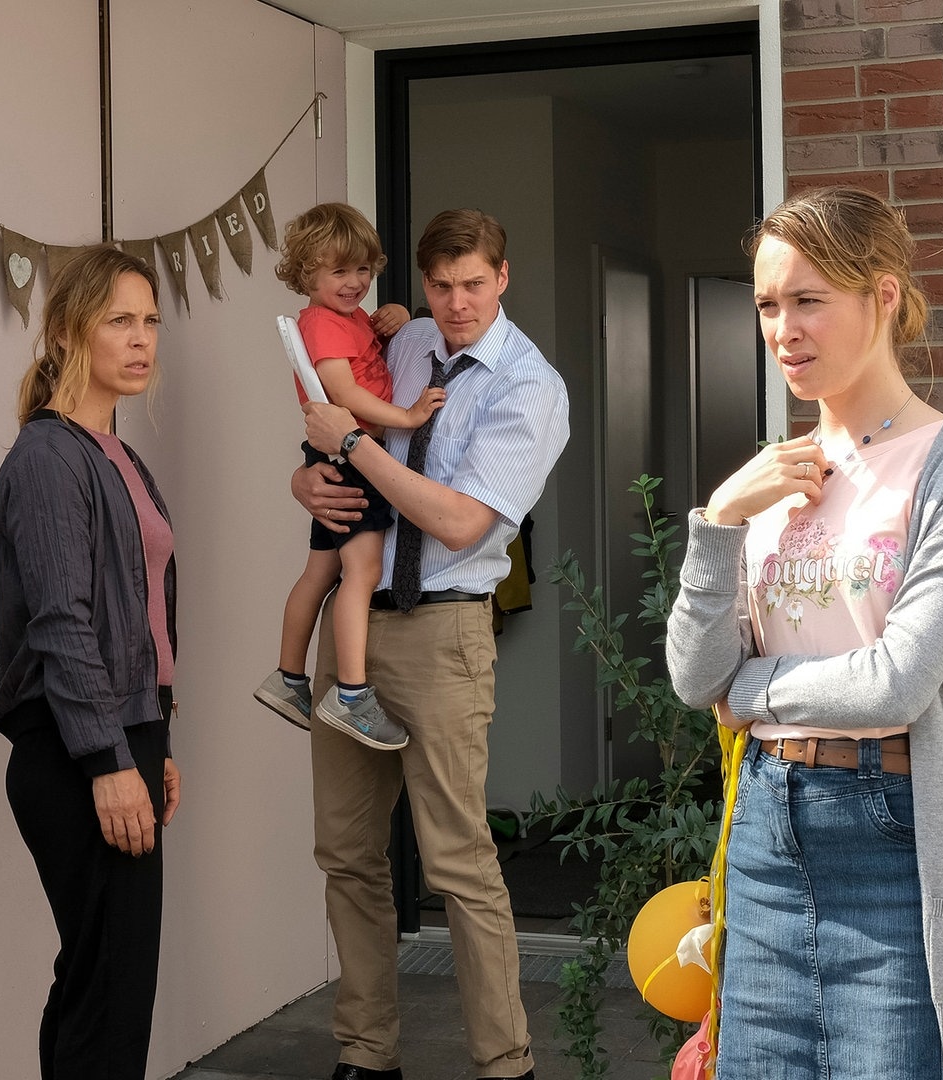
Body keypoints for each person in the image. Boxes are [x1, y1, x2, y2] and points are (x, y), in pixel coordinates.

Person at [665, 186, 943, 1078]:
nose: (784, 328)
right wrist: (718, 523)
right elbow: (689, 672)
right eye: (768, 305)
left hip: (898, 843)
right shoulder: (771, 479)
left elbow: (895, 682)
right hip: (765, 841)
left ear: (885, 296)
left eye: (809, 299)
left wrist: (747, 692)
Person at [295, 208, 569, 1080]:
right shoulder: (405, 343)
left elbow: (457, 521)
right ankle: (366, 1056)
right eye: (441, 286)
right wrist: (308, 475)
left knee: (457, 862)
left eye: (474, 285)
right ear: (423, 284)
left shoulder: (530, 387)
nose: (456, 304)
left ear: (504, 276)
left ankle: (505, 1064)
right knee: (346, 854)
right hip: (354, 619)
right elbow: (339, 446)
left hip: (444, 629)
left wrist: (344, 445)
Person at [0, 247, 181, 1080]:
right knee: (108, 991)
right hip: (76, 752)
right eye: (120, 321)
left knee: (104, 984)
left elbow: (141, 622)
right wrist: (110, 760)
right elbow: (62, 623)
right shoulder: (47, 458)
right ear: (69, 331)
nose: (141, 341)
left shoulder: (115, 455)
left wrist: (157, 743)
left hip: (124, 735)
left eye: (150, 322)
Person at [254, 202, 439, 750]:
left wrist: (397, 317)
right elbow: (344, 393)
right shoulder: (322, 322)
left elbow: (370, 359)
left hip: (333, 460)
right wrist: (406, 418)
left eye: (363, 269)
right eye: (339, 271)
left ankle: (288, 677)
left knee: (320, 571)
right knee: (361, 572)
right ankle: (352, 694)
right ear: (306, 273)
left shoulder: (350, 318)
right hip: (351, 462)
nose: (355, 282)